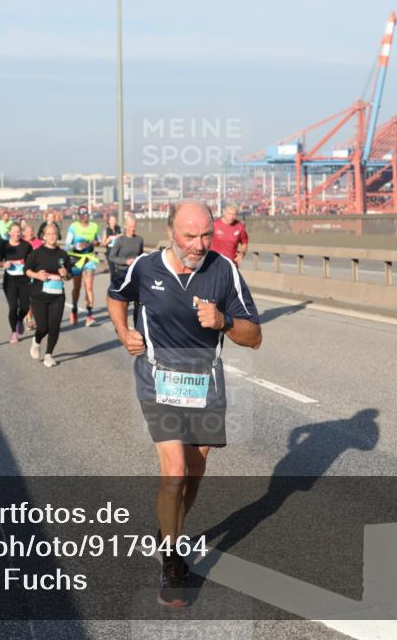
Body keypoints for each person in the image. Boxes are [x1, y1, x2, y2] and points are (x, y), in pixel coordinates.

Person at [107, 200, 261, 608]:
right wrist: (124, 333)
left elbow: (254, 336)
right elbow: (116, 297)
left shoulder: (224, 269)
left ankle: (169, 528)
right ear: (171, 231)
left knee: (195, 469)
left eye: (206, 235)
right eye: (189, 236)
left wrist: (224, 322)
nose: (199, 244)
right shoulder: (144, 267)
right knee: (174, 468)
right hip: (156, 376)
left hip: (204, 379)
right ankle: (173, 563)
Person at [25, 223, 71, 367]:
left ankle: (49, 355)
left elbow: (69, 276)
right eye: (49, 234)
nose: (52, 236)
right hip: (39, 294)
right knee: (43, 327)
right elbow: (26, 270)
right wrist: (37, 275)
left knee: (55, 325)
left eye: (54, 233)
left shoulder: (63, 254)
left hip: (57, 295)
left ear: (57, 236)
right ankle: (36, 341)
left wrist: (65, 274)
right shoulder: (37, 253)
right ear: (44, 236)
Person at [0, 222, 33, 343]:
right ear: (10, 233)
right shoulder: (4, 246)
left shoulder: (26, 245)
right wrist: (3, 264)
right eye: (15, 231)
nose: (17, 234)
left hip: (24, 280)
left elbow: (31, 261)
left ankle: (20, 319)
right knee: (13, 307)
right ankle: (14, 333)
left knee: (25, 307)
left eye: (19, 231)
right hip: (10, 281)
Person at [65, 205, 101, 326]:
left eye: (86, 214)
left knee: (89, 287)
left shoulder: (94, 226)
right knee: (77, 287)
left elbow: (98, 240)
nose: (84, 216)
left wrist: (94, 242)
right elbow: (66, 245)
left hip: (89, 259)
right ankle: (74, 309)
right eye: (82, 214)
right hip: (76, 259)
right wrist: (76, 246)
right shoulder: (73, 227)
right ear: (79, 216)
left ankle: (89, 316)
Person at [109, 217, 144, 287]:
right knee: (122, 297)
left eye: (134, 226)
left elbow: (141, 256)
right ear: (125, 227)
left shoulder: (139, 239)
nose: (132, 229)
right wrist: (126, 261)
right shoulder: (120, 240)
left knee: (135, 297)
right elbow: (111, 257)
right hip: (122, 272)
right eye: (130, 226)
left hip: (135, 272)